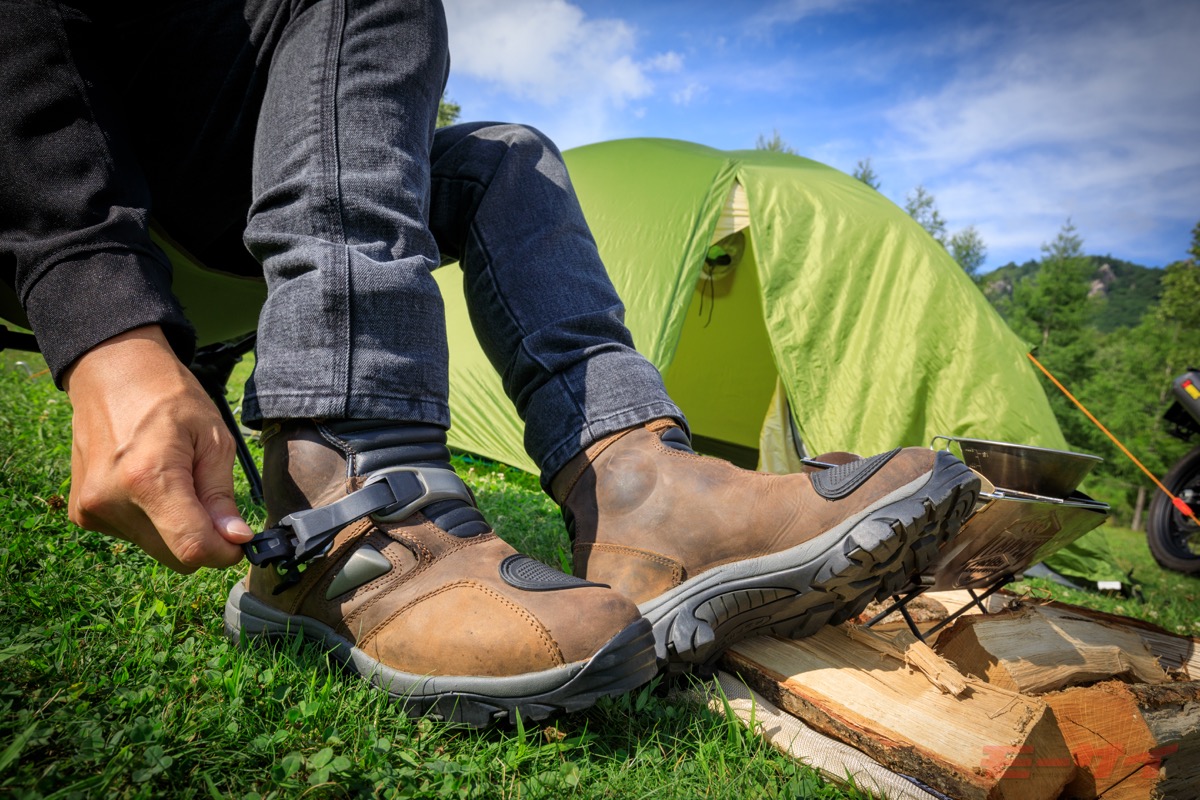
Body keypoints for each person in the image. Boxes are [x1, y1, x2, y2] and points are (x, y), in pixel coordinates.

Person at [1, 0, 980, 727]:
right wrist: (101, 311)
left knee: (508, 153)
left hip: (235, 166)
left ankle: (640, 487)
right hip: (70, 167)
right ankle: (353, 503)